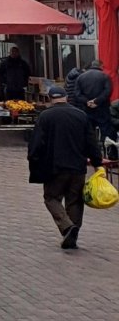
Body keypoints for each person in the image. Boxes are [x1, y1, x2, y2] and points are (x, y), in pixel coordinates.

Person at [27, 83, 102, 250]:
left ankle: (67, 227)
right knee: (75, 201)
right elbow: (91, 142)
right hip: (77, 167)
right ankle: (72, 235)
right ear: (66, 98)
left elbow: (36, 144)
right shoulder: (81, 115)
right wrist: (97, 163)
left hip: (55, 167)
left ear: (49, 99)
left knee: (51, 198)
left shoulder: (45, 117)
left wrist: (33, 160)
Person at [72, 59, 115, 142]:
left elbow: (77, 94)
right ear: (101, 66)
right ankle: (107, 151)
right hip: (102, 109)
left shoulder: (80, 77)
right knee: (106, 132)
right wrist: (97, 101)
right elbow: (108, 91)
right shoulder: (105, 76)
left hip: (86, 109)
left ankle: (90, 151)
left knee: (88, 132)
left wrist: (87, 101)